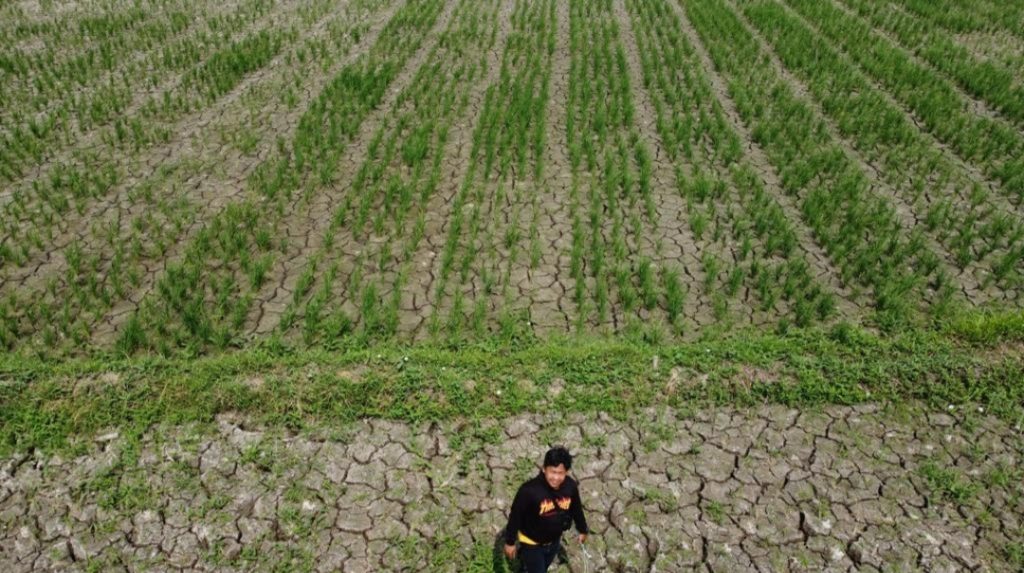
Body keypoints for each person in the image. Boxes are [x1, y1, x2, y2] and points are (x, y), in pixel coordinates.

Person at [503, 446, 589, 572]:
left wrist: (582, 529)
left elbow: (576, 509)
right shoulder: (528, 491)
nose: (556, 478)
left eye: (560, 473)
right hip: (531, 543)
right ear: (544, 469)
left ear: (566, 472)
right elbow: (515, 517)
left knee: (542, 567)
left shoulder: (570, 487)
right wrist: (510, 542)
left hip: (554, 541)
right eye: (552, 472)